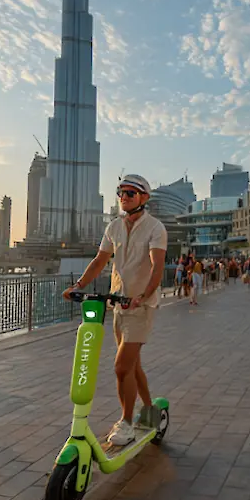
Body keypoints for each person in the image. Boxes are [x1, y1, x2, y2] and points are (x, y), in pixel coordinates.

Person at [62, 174, 166, 446]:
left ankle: (127, 423)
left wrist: (143, 295)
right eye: (120, 192)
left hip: (141, 306)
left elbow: (157, 266)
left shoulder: (156, 228)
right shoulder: (114, 227)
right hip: (118, 304)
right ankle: (149, 409)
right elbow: (100, 260)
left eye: (130, 193)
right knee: (133, 366)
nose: (124, 197)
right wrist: (79, 285)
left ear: (144, 197)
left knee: (121, 367)